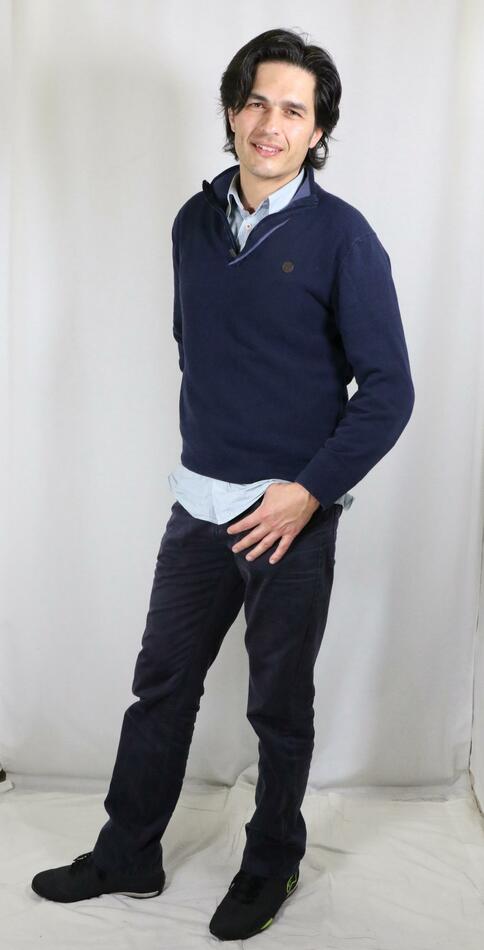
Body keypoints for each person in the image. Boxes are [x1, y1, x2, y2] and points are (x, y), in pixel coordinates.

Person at [31, 26, 415, 942]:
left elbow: (390, 392)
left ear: (318, 131)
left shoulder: (343, 237)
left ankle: (271, 864)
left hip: (289, 518)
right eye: (256, 103)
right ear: (233, 112)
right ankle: (128, 853)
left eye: (294, 111)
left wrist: (307, 492)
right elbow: (193, 346)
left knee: (278, 708)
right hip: (198, 507)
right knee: (160, 687)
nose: (271, 124)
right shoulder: (191, 223)